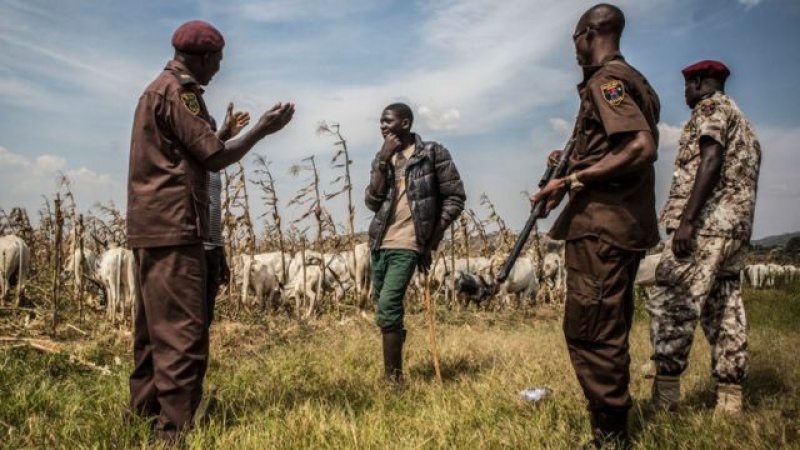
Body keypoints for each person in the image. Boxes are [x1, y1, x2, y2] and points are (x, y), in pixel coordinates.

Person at [126, 19, 294, 443]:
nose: (218, 68)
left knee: (151, 335)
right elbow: (214, 158)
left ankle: (140, 420)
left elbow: (189, 154)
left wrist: (221, 135)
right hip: (177, 229)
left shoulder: (156, 91)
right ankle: (172, 435)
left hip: (152, 229)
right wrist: (262, 130)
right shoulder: (180, 93)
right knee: (183, 335)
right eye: (216, 60)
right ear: (200, 57)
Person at [531, 4, 660, 447]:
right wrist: (565, 174)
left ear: (588, 33)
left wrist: (575, 177)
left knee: (591, 331)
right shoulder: (633, 80)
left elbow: (640, 147)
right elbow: (615, 148)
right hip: (619, 226)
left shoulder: (608, 81)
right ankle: (612, 430)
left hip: (602, 230)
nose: (574, 48)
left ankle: (610, 438)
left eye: (575, 38)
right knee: (607, 327)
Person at [648, 60, 761, 414]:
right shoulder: (744, 122)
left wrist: (687, 221)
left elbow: (709, 159)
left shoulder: (710, 109)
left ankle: (665, 399)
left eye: (687, 86)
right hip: (732, 232)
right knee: (725, 307)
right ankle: (729, 399)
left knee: (673, 302)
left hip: (704, 229)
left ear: (698, 83)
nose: (685, 93)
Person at [365, 102, 465, 383]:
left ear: (405, 124)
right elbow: (372, 202)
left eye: (388, 121)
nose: (383, 126)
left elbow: (455, 197)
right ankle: (395, 366)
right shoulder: (383, 157)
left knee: (388, 304)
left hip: (409, 243)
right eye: (381, 122)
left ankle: (393, 379)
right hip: (380, 242)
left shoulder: (432, 153)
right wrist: (383, 161)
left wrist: (431, 240)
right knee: (384, 309)